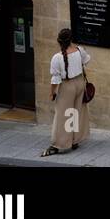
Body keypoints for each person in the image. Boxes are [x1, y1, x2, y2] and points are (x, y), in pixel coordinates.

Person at [41, 28, 90, 157]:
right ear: (71, 39)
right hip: (80, 83)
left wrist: (52, 92)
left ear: (59, 41)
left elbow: (55, 79)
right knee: (76, 111)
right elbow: (86, 62)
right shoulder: (80, 51)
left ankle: (59, 144)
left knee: (63, 115)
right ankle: (74, 140)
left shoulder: (57, 58)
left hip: (67, 85)